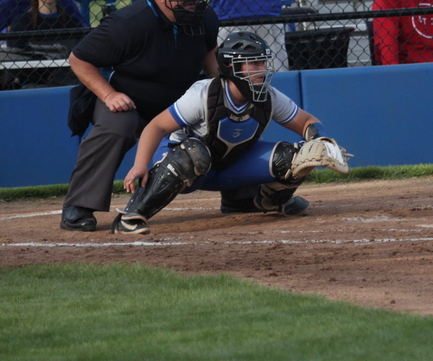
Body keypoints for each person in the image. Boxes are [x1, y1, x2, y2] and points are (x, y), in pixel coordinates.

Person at [113, 31, 340, 235]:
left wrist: (321, 140)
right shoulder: (204, 94)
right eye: (253, 63)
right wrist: (140, 164)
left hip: (229, 165)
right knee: (194, 153)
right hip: (188, 167)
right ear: (231, 67)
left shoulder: (269, 95)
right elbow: (157, 126)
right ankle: (130, 216)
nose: (262, 70)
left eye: (263, 62)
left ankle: (271, 201)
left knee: (294, 156)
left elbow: (306, 121)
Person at [60, 0, 220, 232]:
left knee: (224, 119)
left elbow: (210, 56)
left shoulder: (203, 18)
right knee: (116, 127)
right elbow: (78, 59)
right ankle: (79, 206)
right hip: (131, 100)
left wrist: (221, 93)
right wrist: (109, 94)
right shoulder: (128, 24)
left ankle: (245, 195)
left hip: (179, 105)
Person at [3, 0, 86, 88]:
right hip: (32, 83)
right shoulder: (22, 23)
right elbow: (17, 60)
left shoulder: (72, 23)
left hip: (68, 82)